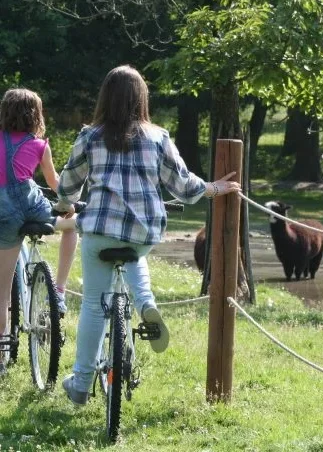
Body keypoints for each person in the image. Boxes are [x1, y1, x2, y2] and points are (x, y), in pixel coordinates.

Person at [56, 64, 241, 405]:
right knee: (134, 256)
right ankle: (146, 304)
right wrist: (215, 187)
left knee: (95, 307)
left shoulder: (89, 136)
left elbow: (68, 184)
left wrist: (66, 204)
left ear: (105, 98)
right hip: (142, 233)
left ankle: (81, 384)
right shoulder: (158, 138)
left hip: (99, 231)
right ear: (141, 98)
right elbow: (184, 186)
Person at [0, 88, 78, 374]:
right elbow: (55, 183)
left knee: (2, 291)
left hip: (4, 217)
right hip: (35, 211)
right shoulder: (40, 146)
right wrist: (71, 203)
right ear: (36, 115)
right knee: (75, 223)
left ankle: (1, 352)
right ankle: (59, 288)